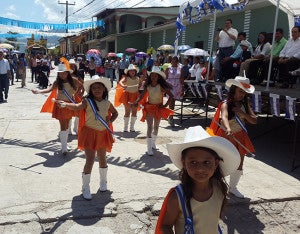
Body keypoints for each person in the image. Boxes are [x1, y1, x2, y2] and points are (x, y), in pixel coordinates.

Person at [155, 126, 240, 233]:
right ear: (184, 163)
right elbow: (166, 226)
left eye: (206, 162)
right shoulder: (177, 197)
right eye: (193, 162)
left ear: (216, 163)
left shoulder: (220, 189)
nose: (200, 169)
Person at [54, 75, 118, 200]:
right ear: (91, 90)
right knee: (90, 160)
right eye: (94, 88)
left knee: (103, 158)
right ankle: (85, 187)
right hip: (90, 133)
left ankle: (103, 182)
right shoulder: (87, 101)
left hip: (102, 133)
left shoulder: (107, 102)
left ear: (104, 90)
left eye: (100, 88)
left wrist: (110, 120)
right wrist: (66, 105)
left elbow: (115, 113)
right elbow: (77, 107)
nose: (97, 90)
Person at [215, 76, 257, 198]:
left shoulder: (245, 105)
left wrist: (242, 112)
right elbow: (224, 117)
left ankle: (233, 187)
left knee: (240, 162)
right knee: (221, 162)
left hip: (240, 136)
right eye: (240, 92)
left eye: (244, 92)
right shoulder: (225, 104)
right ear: (233, 90)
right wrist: (228, 128)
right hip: (227, 136)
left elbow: (254, 121)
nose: (242, 95)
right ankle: (217, 185)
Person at [32, 58, 83, 155]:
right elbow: (48, 90)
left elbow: (82, 86)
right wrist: (38, 91)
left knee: (67, 124)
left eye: (64, 73)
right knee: (62, 125)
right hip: (60, 105)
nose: (62, 75)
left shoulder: (74, 80)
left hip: (70, 104)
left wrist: (77, 94)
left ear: (68, 73)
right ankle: (64, 148)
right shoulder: (57, 82)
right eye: (60, 73)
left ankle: (64, 145)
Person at [134, 66, 173, 156]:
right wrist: (137, 101)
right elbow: (142, 95)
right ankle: (149, 148)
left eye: (156, 76)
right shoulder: (147, 86)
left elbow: (171, 96)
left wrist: (165, 105)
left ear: (159, 77)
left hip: (158, 108)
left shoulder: (161, 86)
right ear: (150, 77)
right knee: (150, 127)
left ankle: (153, 143)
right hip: (149, 108)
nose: (154, 77)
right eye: (152, 76)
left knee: (156, 127)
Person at [116, 64, 141, 132]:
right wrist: (123, 85)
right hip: (127, 96)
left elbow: (140, 86)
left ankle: (132, 127)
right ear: (128, 72)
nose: (132, 72)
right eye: (130, 71)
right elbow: (120, 82)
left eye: (133, 71)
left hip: (135, 96)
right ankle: (125, 127)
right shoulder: (126, 78)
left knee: (134, 112)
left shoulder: (138, 78)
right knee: (127, 112)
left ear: (135, 72)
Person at [165, 56, 184, 127]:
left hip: (177, 86)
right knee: (171, 100)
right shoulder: (168, 68)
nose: (174, 62)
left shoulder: (180, 69)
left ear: (177, 61)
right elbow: (166, 78)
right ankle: (171, 116)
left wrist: (182, 88)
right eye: (173, 60)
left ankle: (170, 115)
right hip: (170, 86)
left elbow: (182, 79)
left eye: (175, 61)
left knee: (173, 101)